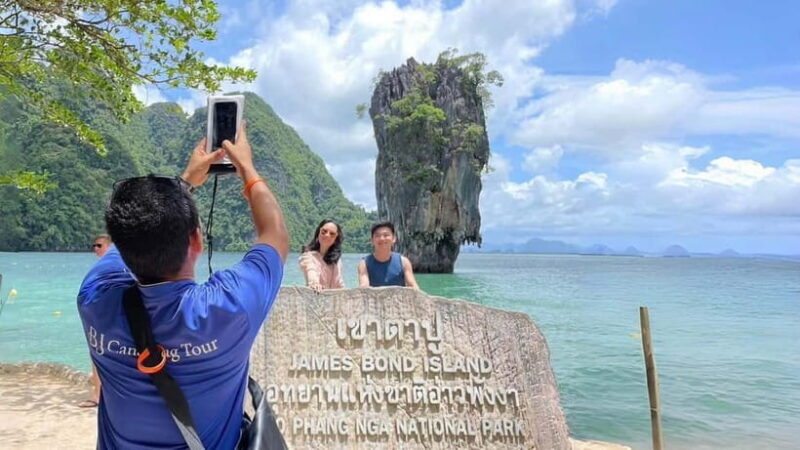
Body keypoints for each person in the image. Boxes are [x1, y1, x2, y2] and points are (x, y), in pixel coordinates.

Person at [77, 123, 289, 449]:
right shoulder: (228, 308)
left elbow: (129, 240)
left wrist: (185, 182)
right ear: (196, 240)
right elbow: (274, 234)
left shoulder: (95, 300)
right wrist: (247, 168)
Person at [78, 234, 112, 408]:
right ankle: (99, 393)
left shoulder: (109, 266)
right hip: (105, 315)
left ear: (110, 246)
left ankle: (98, 395)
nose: (95, 249)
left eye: (99, 245)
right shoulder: (108, 266)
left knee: (97, 353)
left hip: (108, 316)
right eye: (93, 246)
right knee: (97, 353)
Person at [358, 221, 419, 289]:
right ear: (372, 240)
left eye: (386, 235)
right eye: (377, 236)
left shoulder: (403, 262)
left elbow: (414, 287)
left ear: (394, 239)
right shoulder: (364, 264)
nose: (382, 238)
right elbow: (364, 287)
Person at [299, 219, 345, 291]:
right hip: (315, 297)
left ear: (336, 238)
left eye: (332, 234)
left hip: (334, 299)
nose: (327, 235)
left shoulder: (337, 261)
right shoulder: (308, 257)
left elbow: (340, 284)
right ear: (318, 233)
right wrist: (315, 283)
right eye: (324, 231)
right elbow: (311, 271)